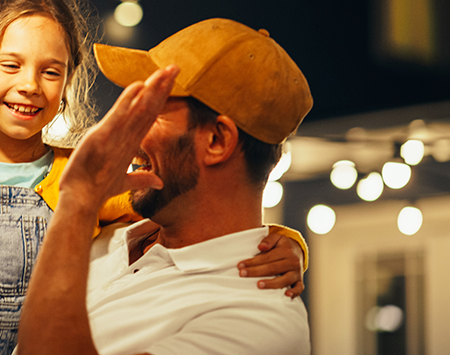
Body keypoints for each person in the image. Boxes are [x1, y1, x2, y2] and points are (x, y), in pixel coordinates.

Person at [0, 0, 307, 355]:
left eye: (152, 110)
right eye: (10, 65)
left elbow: (219, 228)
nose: (30, 84)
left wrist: (275, 243)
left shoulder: (255, 320)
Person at [17, 18, 314, 355]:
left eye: (150, 112)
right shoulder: (108, 232)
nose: (125, 135)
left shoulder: (261, 321)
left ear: (217, 141)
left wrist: (78, 200)